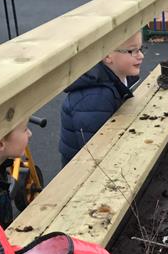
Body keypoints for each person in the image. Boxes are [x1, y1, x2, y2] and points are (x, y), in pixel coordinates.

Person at [58, 32, 143, 166]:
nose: (141, 56)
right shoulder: (95, 98)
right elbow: (95, 153)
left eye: (140, 49)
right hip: (82, 174)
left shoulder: (121, 77)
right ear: (108, 55)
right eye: (132, 51)